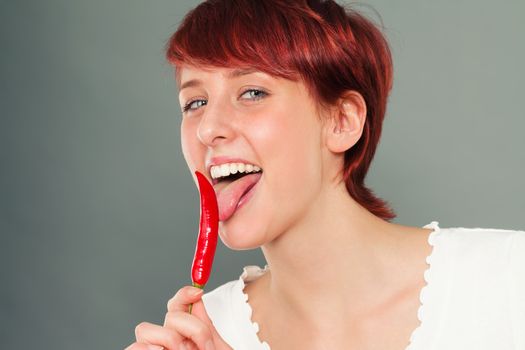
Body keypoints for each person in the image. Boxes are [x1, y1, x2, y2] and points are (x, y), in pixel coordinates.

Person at [125, 1, 525, 349]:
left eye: (252, 92)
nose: (207, 128)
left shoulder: (509, 279)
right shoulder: (200, 332)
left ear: (341, 120)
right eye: (194, 102)